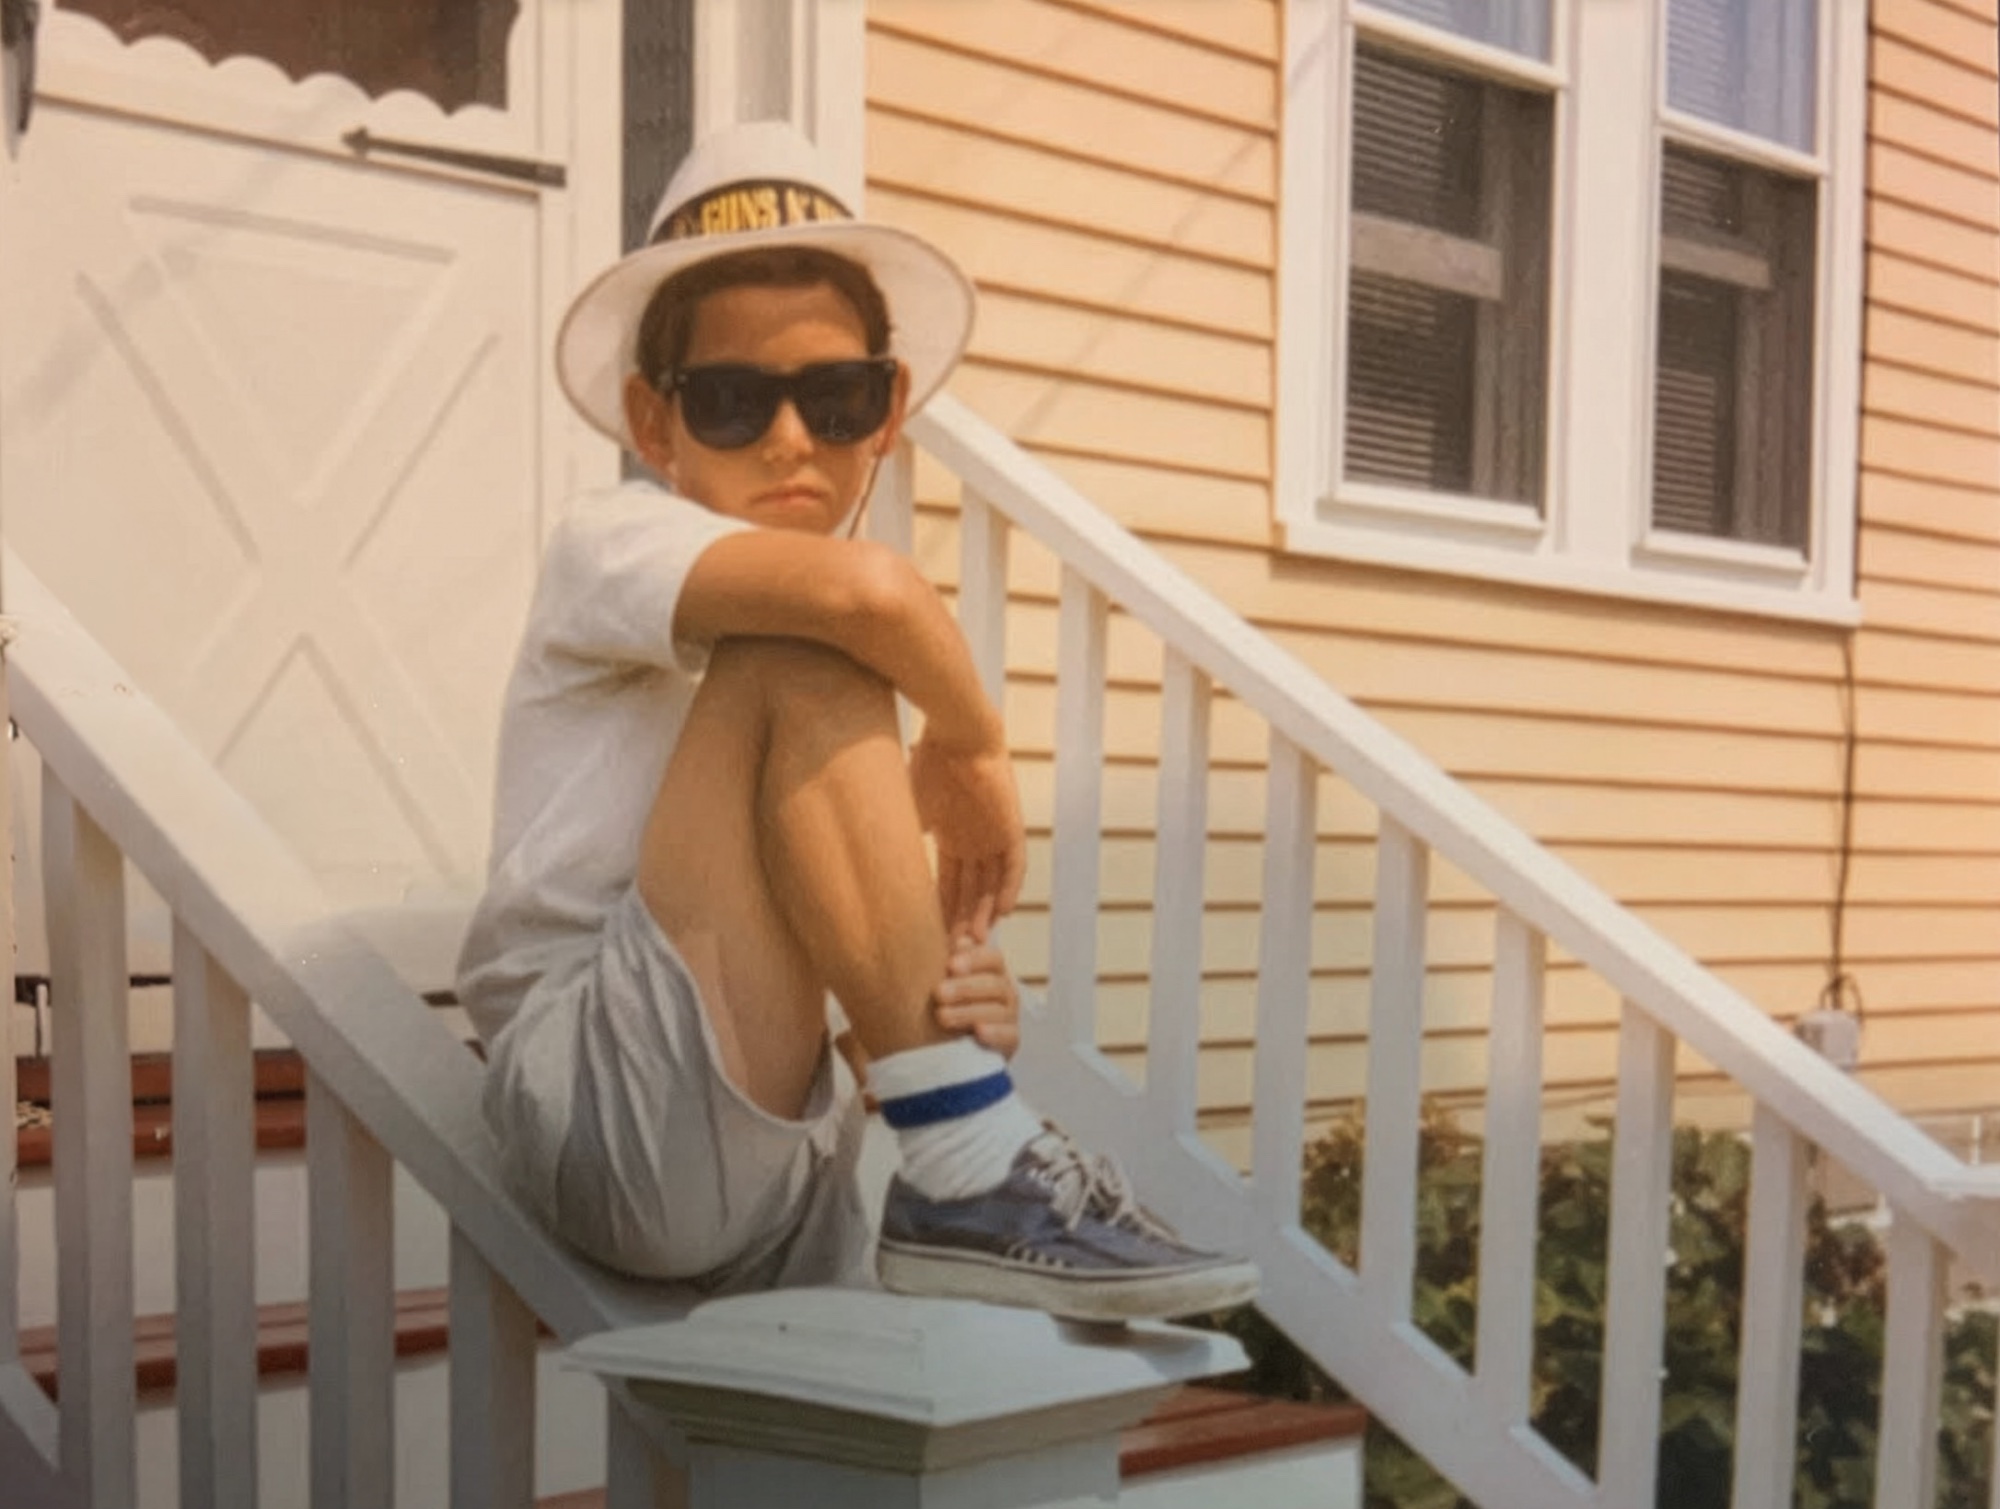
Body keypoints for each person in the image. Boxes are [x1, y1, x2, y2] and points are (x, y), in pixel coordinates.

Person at [456, 120, 1257, 1323]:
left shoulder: (812, 702)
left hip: (770, 1159)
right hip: (599, 1104)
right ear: (652, 423)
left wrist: (930, 1021)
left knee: (825, 652)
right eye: (731, 402)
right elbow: (869, 595)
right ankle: (973, 1172)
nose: (791, 439)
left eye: (835, 397)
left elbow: (776, 972)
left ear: (886, 413)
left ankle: (966, 1151)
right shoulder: (610, 546)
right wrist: (975, 746)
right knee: (809, 633)